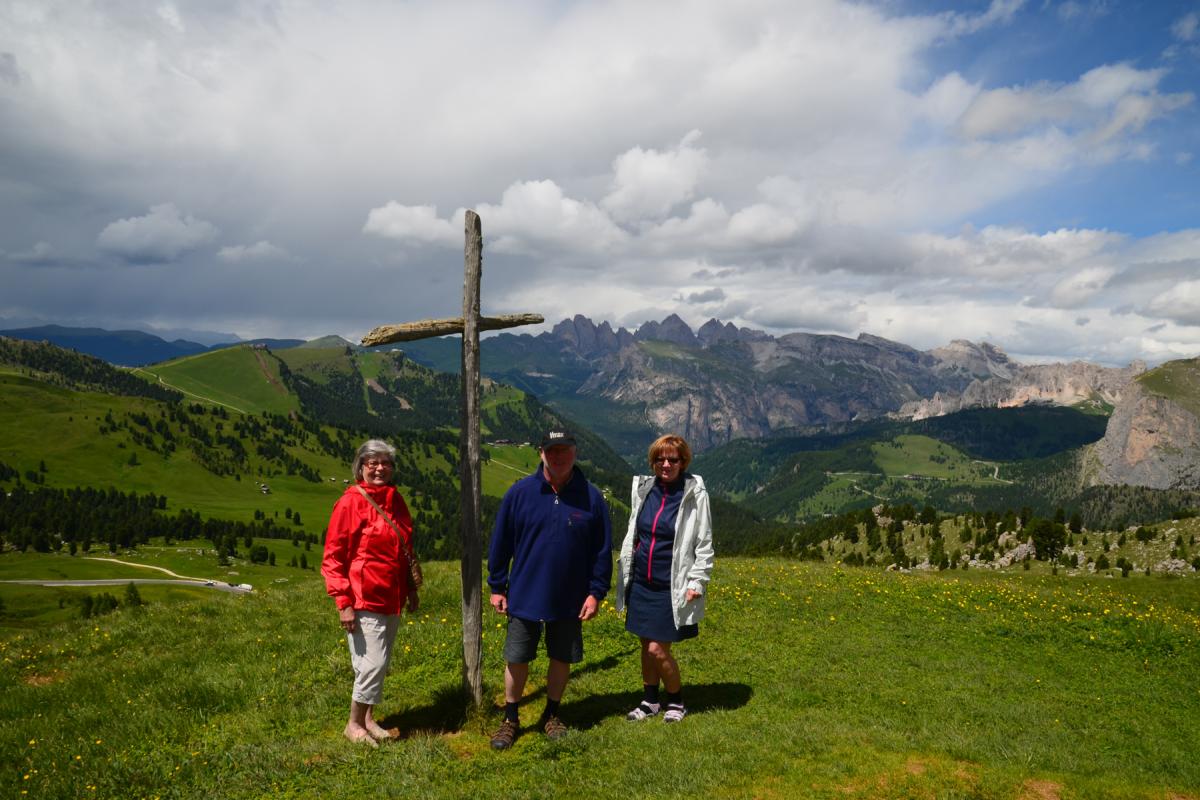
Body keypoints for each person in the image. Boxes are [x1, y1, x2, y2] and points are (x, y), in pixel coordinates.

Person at [486, 428, 612, 750]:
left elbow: (601, 549)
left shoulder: (591, 497)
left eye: (565, 450)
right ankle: (510, 719)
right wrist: (497, 585)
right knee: (517, 657)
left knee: (561, 656)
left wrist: (596, 592)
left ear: (575, 452)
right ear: (541, 452)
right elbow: (500, 543)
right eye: (552, 450)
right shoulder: (520, 493)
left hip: (570, 596)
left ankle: (552, 714)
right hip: (525, 592)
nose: (558, 457)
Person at [321, 439, 420, 747]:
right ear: (360, 467)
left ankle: (367, 718)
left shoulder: (395, 499)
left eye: (385, 463)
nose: (379, 468)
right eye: (372, 462)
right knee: (371, 664)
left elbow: (404, 549)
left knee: (380, 663)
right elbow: (333, 557)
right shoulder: (351, 502)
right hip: (364, 598)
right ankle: (352, 724)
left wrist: (411, 589)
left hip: (392, 596)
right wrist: (343, 602)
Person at [615, 434, 714, 724]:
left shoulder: (694, 494)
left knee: (659, 649)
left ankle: (676, 700)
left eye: (673, 459)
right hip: (642, 582)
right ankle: (649, 700)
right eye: (660, 459)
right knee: (646, 646)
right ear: (653, 461)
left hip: (671, 585)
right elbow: (637, 529)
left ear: (684, 462)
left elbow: (704, 543)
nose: (666, 464)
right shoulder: (645, 489)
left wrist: (697, 581)